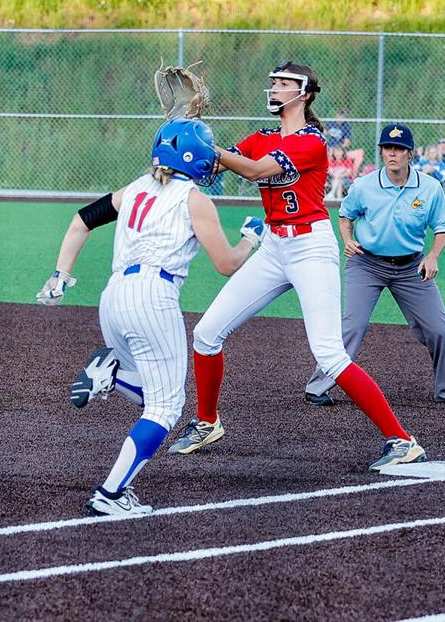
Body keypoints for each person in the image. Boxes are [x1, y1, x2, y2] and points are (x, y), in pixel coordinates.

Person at [166, 61, 428, 472]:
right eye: (273, 82)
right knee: (205, 334)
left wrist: (207, 148)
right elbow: (211, 168)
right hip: (274, 246)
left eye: (284, 82)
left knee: (329, 353)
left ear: (303, 94)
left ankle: (402, 440)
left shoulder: (312, 141)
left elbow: (255, 169)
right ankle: (207, 422)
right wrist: (187, 132)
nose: (274, 87)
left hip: (310, 248)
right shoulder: (263, 136)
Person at [35, 119, 262, 516]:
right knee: (166, 408)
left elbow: (80, 220)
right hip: (153, 297)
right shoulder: (194, 199)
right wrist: (251, 239)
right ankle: (111, 493)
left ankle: (112, 375)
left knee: (157, 396)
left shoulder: (136, 188)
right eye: (207, 154)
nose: (212, 161)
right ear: (192, 157)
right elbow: (226, 264)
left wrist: (60, 275)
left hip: (113, 297)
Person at [302, 124, 445, 409]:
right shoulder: (364, 185)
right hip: (367, 264)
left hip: (410, 267)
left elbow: (443, 228)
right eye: (387, 148)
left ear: (410, 154)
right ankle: (317, 387)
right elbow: (345, 215)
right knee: (353, 326)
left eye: (399, 149)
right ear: (381, 153)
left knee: (439, 328)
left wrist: (433, 256)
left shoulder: (429, 188)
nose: (393, 154)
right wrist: (348, 239)